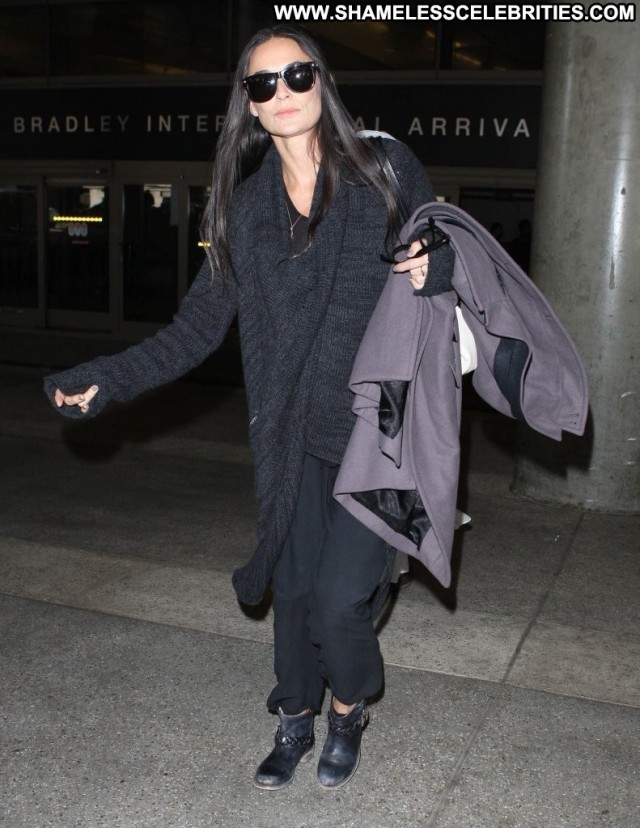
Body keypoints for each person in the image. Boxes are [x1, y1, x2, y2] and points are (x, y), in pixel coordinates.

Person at [44, 24, 453, 792]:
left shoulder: (383, 169)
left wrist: (435, 267)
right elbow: (197, 327)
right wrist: (111, 377)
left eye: (298, 74)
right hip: (295, 438)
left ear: (322, 82)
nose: (284, 92)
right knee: (292, 596)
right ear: (250, 106)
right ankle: (294, 716)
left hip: (380, 433)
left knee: (338, 603)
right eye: (264, 83)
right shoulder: (245, 209)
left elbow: (444, 252)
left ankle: (347, 709)